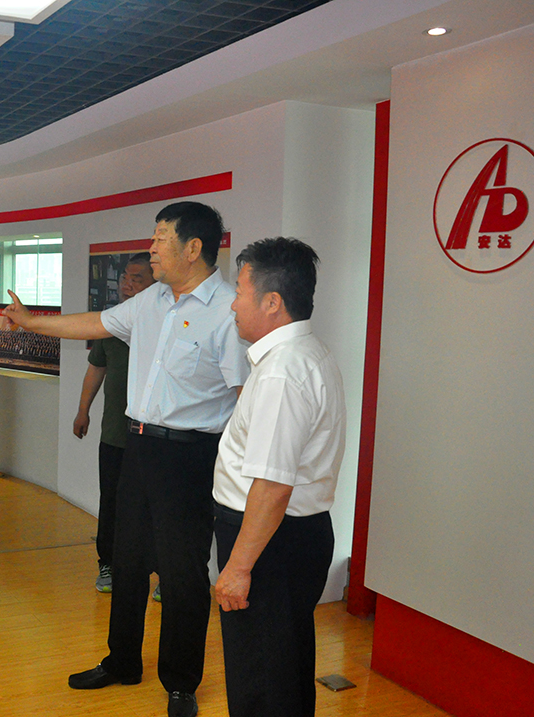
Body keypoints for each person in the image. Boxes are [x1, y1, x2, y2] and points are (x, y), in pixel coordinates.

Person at [5, 201, 249, 717]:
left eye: (161, 238)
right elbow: (94, 323)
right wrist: (31, 322)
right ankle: (122, 661)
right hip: (137, 447)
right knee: (128, 559)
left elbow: (244, 398)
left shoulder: (227, 311)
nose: (152, 248)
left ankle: (180, 683)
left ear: (193, 248)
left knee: (182, 574)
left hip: (190, 455)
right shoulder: (151, 300)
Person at [213, 237, 346, 717]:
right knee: (283, 666)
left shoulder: (281, 374)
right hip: (292, 537)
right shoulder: (308, 352)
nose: (233, 304)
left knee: (261, 678)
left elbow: (272, 486)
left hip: (270, 542)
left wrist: (238, 568)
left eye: (239, 292)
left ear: (272, 302)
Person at [73, 252, 155, 592]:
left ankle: (161, 571)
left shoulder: (162, 322)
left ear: (155, 284)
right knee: (111, 501)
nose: (127, 284)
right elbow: (96, 369)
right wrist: (83, 410)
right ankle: (107, 563)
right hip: (115, 434)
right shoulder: (112, 323)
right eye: (125, 277)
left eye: (137, 278)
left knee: (154, 505)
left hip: (155, 437)